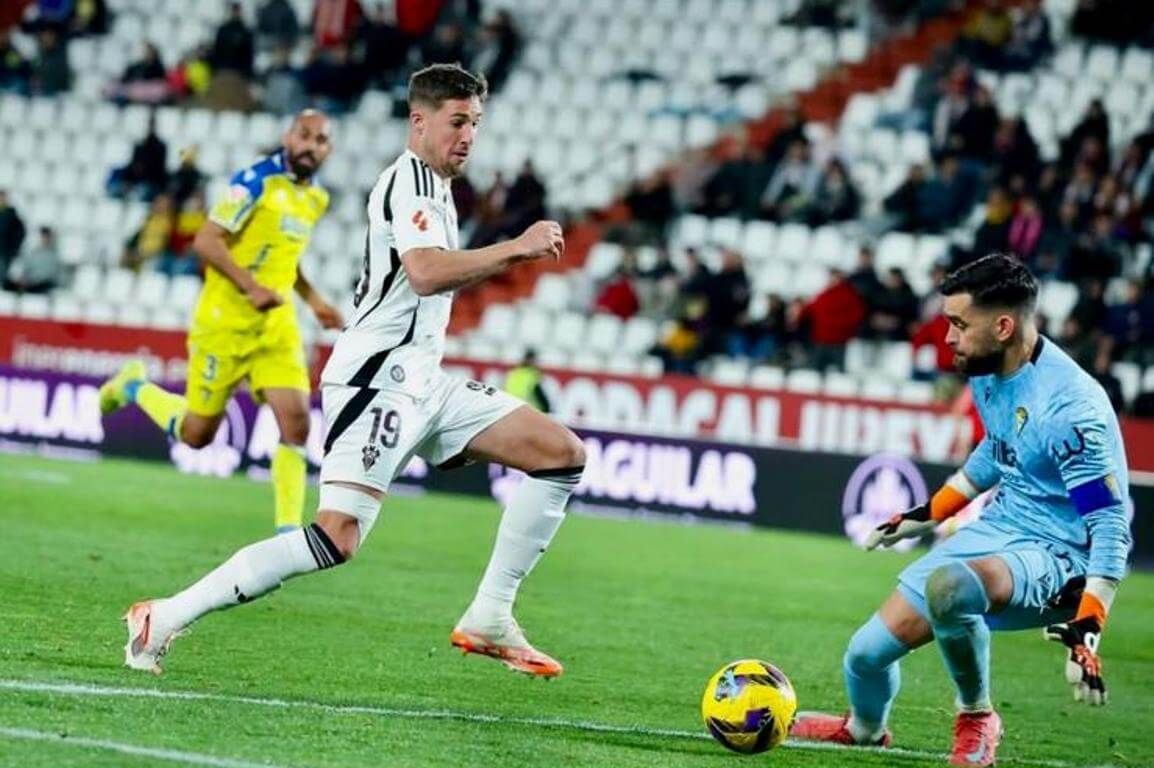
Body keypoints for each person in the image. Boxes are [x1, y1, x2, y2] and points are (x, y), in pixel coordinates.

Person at [119, 64, 584, 680]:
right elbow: (425, 272)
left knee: (560, 454)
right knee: (335, 537)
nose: (469, 135)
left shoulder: (437, 188)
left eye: (475, 123)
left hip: (425, 381)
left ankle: (490, 614)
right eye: (457, 121)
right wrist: (516, 247)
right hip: (377, 382)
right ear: (419, 122)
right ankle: (164, 616)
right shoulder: (409, 182)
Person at [791, 254, 1132, 767]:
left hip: (1062, 552)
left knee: (949, 587)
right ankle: (864, 729)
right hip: (1003, 526)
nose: (948, 338)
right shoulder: (988, 367)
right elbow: (997, 450)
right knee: (865, 655)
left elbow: (1109, 526)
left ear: (1002, 326)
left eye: (958, 324)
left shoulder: (1070, 408)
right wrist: (926, 512)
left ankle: (977, 715)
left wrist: (1088, 626)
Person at [99, 110, 343, 533]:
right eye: (304, 135)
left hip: (276, 325)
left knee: (297, 424)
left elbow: (287, 258)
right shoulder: (255, 181)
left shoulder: (317, 197)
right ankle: (133, 385)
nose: (311, 146)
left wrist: (314, 299)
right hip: (224, 323)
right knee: (197, 435)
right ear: (288, 136)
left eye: (320, 140)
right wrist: (251, 286)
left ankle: (287, 533)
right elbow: (206, 241)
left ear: (329, 149)